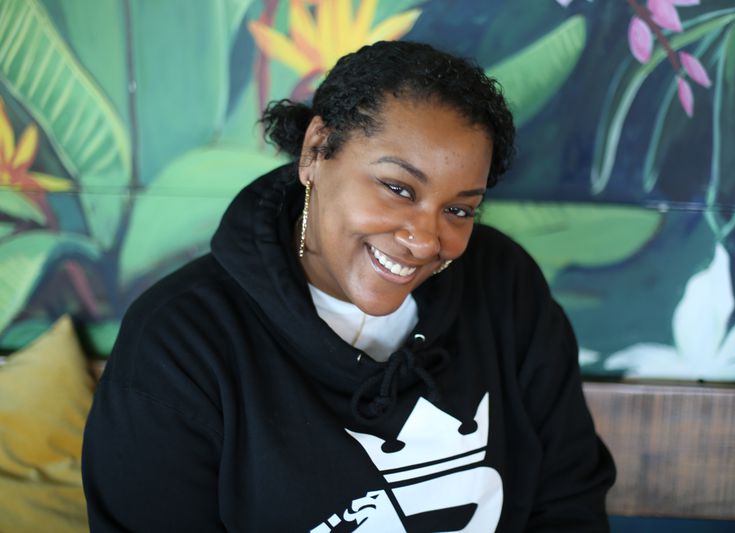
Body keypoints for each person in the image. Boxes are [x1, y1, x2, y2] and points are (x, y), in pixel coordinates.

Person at [82, 40, 615, 532]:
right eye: (397, 188)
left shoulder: (504, 287)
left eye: (458, 209)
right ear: (316, 150)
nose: (425, 239)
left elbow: (568, 497)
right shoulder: (179, 345)